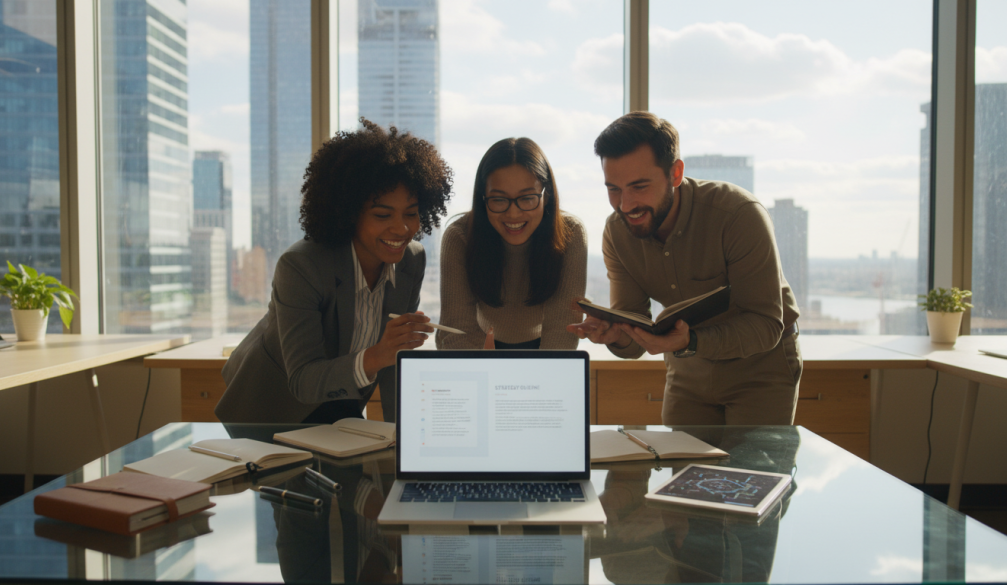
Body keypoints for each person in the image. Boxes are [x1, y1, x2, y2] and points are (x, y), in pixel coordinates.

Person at [567, 112, 801, 425]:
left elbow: (766, 325)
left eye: (639, 186)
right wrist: (615, 335)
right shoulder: (617, 233)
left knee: (753, 473)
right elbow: (635, 336)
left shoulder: (738, 215)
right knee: (682, 472)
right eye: (614, 189)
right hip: (687, 370)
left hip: (761, 369)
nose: (625, 205)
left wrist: (690, 341)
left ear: (675, 173)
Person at [216, 119, 453, 424]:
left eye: (411, 213)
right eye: (382, 215)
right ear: (349, 212)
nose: (402, 228)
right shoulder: (301, 266)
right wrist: (379, 354)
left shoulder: (411, 261)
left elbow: (394, 362)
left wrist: (402, 438)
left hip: (342, 408)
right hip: (268, 412)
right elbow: (303, 379)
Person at [436, 137, 587, 350]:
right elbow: (457, 331)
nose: (513, 213)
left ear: (546, 195)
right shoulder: (460, 236)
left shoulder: (571, 233)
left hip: (547, 343)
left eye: (527, 198)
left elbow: (562, 328)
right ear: (482, 198)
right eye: (498, 199)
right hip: (478, 342)